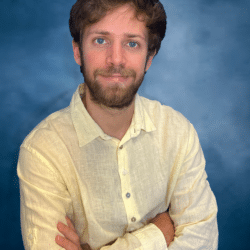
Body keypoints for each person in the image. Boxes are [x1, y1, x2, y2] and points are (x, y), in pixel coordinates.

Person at [17, 0, 219, 249]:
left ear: (149, 58)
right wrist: (157, 233)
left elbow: (203, 241)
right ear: (78, 52)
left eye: (132, 43)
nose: (116, 60)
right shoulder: (42, 151)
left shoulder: (178, 133)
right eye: (101, 40)